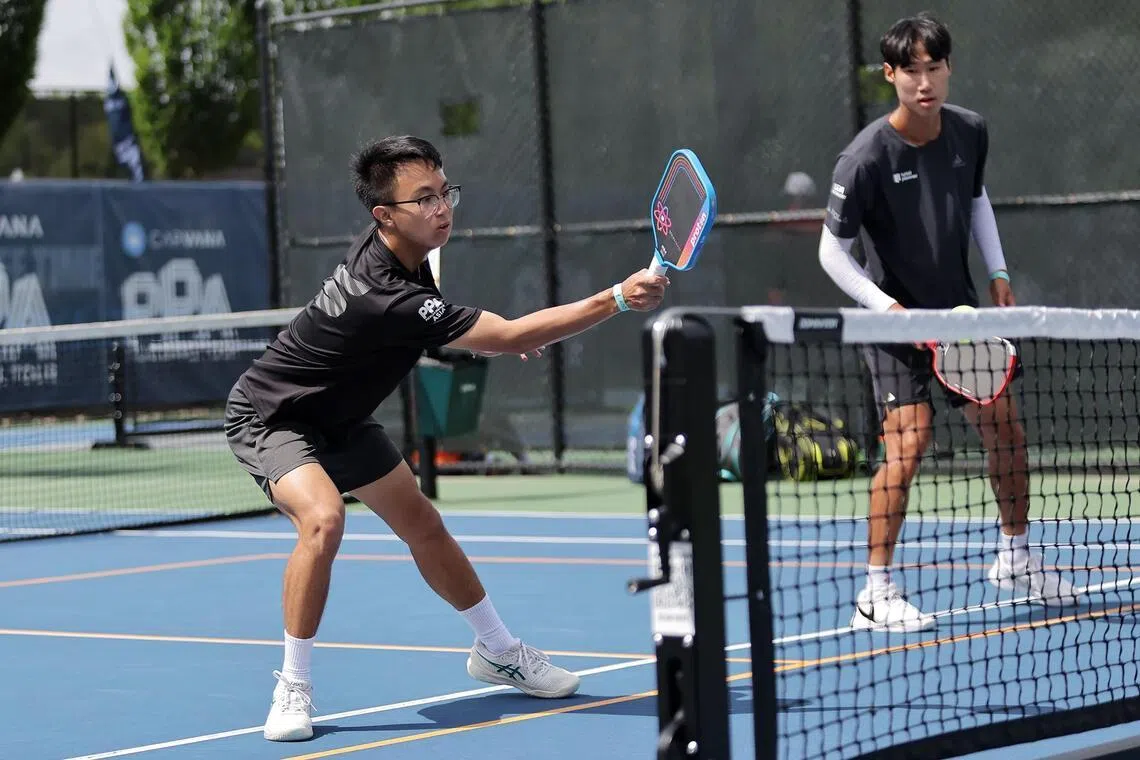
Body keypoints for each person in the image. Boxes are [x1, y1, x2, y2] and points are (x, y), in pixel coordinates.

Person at [224, 135, 669, 740]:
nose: (442, 209)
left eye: (444, 192)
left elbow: (475, 331)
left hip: (342, 419)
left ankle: (498, 651)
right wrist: (616, 298)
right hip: (273, 415)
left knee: (424, 526)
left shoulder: (404, 254)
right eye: (424, 199)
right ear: (384, 215)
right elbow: (507, 334)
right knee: (324, 519)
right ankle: (293, 685)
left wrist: (501, 337)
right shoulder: (386, 295)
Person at [817, 13, 1079, 632]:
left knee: (1005, 430)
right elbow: (832, 253)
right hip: (891, 325)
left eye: (934, 68)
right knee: (908, 444)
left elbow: (976, 198)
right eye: (911, 71)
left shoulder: (969, 132)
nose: (925, 82)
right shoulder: (863, 159)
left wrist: (999, 271)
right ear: (890, 75)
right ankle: (876, 593)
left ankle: (1016, 558)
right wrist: (891, 312)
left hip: (958, 315)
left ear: (948, 68)